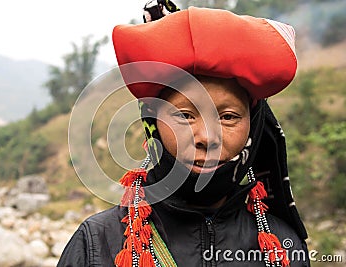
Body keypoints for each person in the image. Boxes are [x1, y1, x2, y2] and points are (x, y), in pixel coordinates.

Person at [58, 3, 310, 267]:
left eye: (228, 117)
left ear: (253, 127)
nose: (207, 137)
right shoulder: (98, 244)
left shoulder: (284, 246)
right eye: (185, 116)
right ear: (152, 122)